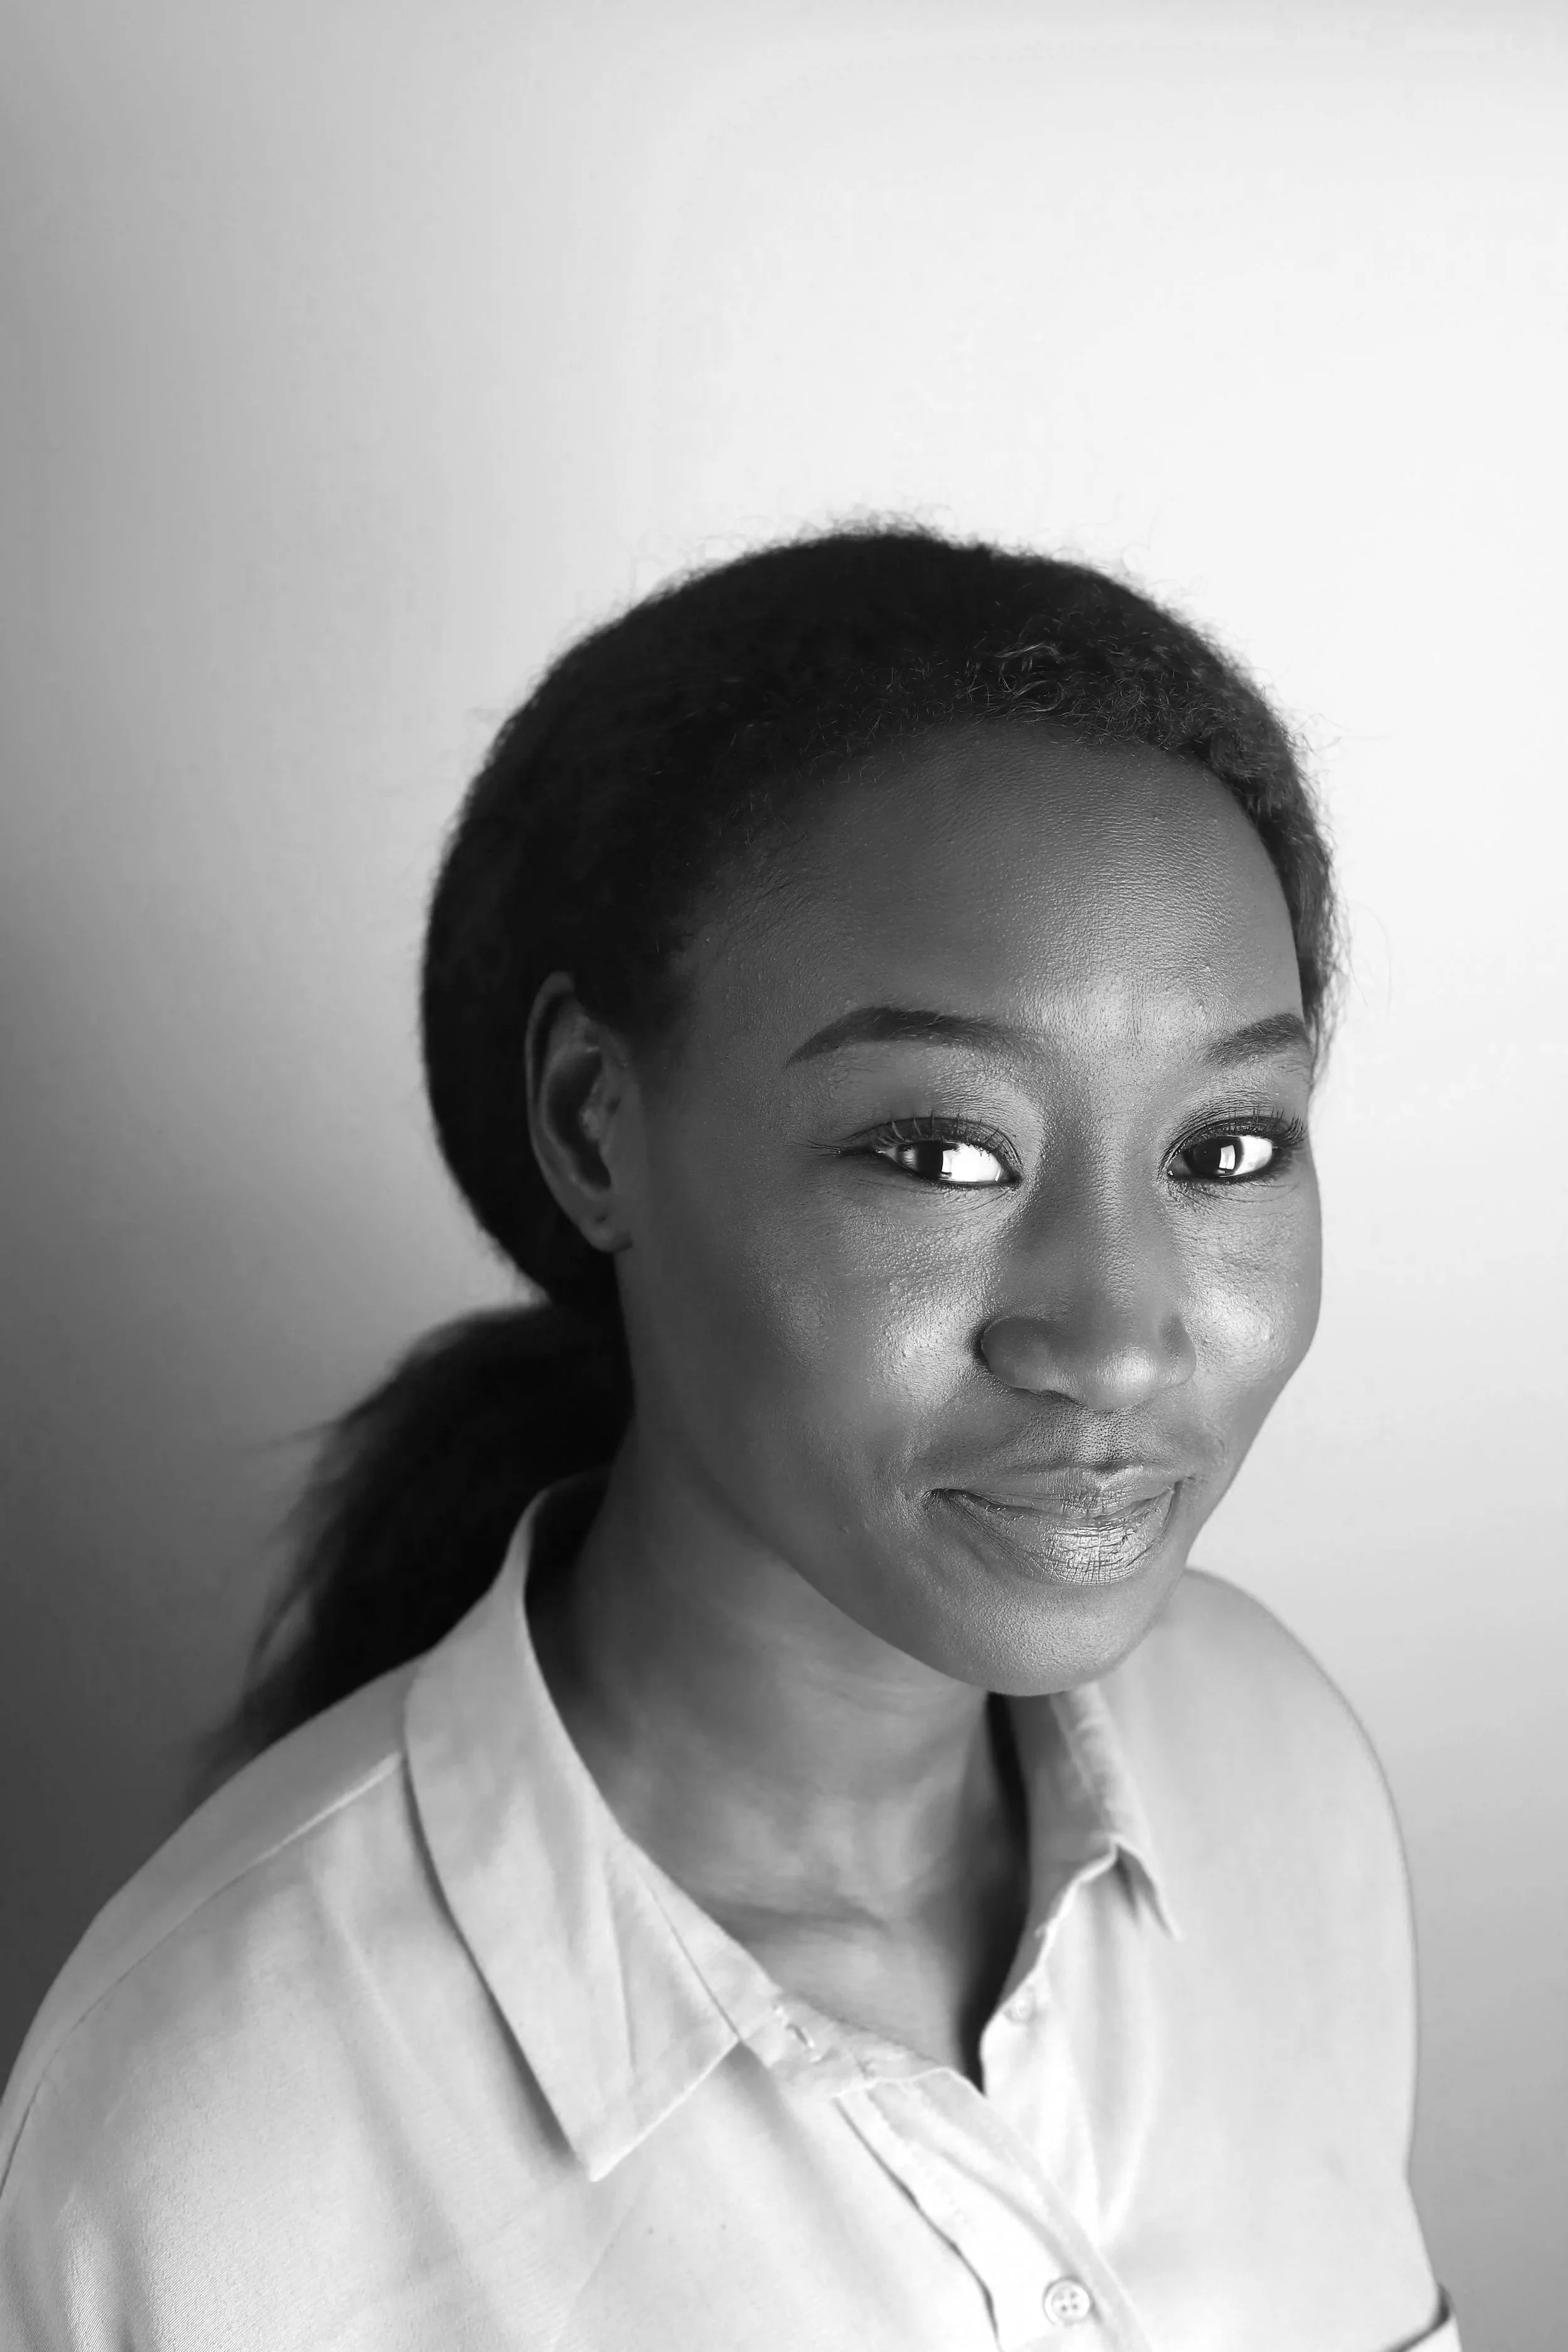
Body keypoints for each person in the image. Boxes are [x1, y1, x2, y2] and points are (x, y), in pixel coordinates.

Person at [0, 526, 1460, 2350]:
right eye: (939, 1148)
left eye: (1224, 1145)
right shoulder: (212, 2134)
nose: (1111, 1332)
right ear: (595, 1123)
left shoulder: (1274, 1761)